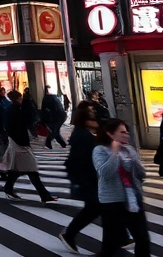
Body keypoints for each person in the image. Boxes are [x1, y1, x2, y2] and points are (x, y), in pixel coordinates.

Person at [93, 118, 151, 256]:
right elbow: (104, 173)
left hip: (133, 199)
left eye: (127, 132)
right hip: (112, 201)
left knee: (142, 238)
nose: (126, 135)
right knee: (112, 243)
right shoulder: (99, 150)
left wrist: (135, 161)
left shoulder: (129, 149)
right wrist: (114, 153)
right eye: (122, 132)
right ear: (110, 134)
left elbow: (140, 174)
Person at [60, 102, 103, 252]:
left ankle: (120, 237)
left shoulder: (83, 133)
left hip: (88, 178)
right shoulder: (83, 136)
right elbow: (82, 160)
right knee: (95, 208)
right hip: (88, 179)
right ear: (86, 120)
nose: (96, 121)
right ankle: (69, 233)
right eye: (92, 118)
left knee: (97, 208)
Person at [2, 90, 58, 203]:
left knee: (18, 169)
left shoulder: (12, 109)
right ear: (18, 98)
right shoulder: (15, 109)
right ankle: (44, 195)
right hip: (20, 143)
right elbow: (21, 124)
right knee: (31, 169)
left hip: (17, 142)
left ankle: (9, 188)